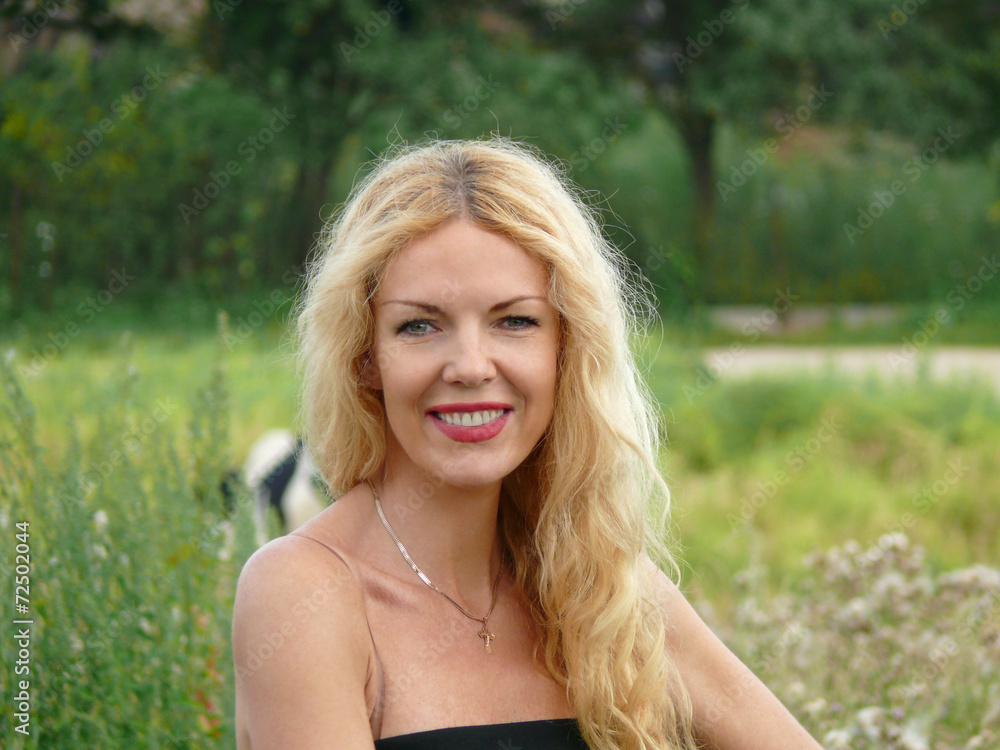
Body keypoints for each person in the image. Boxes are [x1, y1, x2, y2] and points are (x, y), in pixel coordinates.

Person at [231, 137, 825, 749]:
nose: (470, 366)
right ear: (365, 358)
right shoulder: (305, 593)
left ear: (566, 351)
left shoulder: (600, 587)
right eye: (419, 325)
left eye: (515, 321)